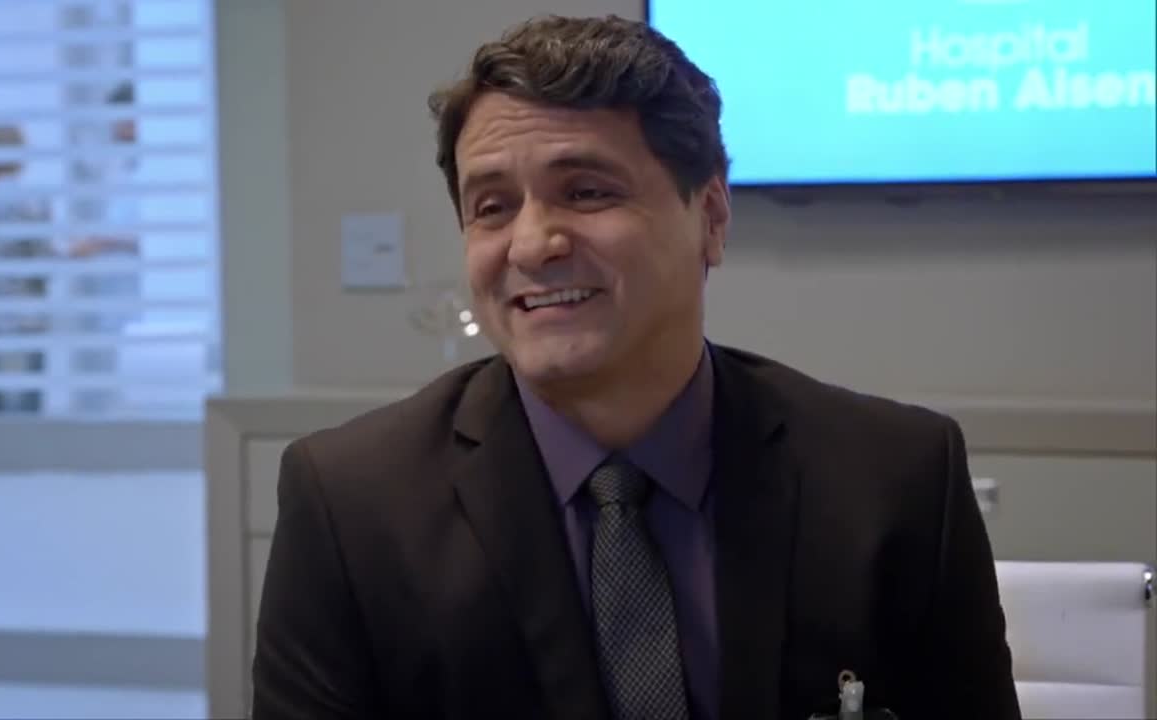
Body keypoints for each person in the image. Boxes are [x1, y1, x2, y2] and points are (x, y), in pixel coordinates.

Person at [252, 14, 1021, 720]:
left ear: (710, 218)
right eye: (492, 207)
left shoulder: (896, 479)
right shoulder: (352, 507)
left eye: (586, 192)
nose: (532, 245)